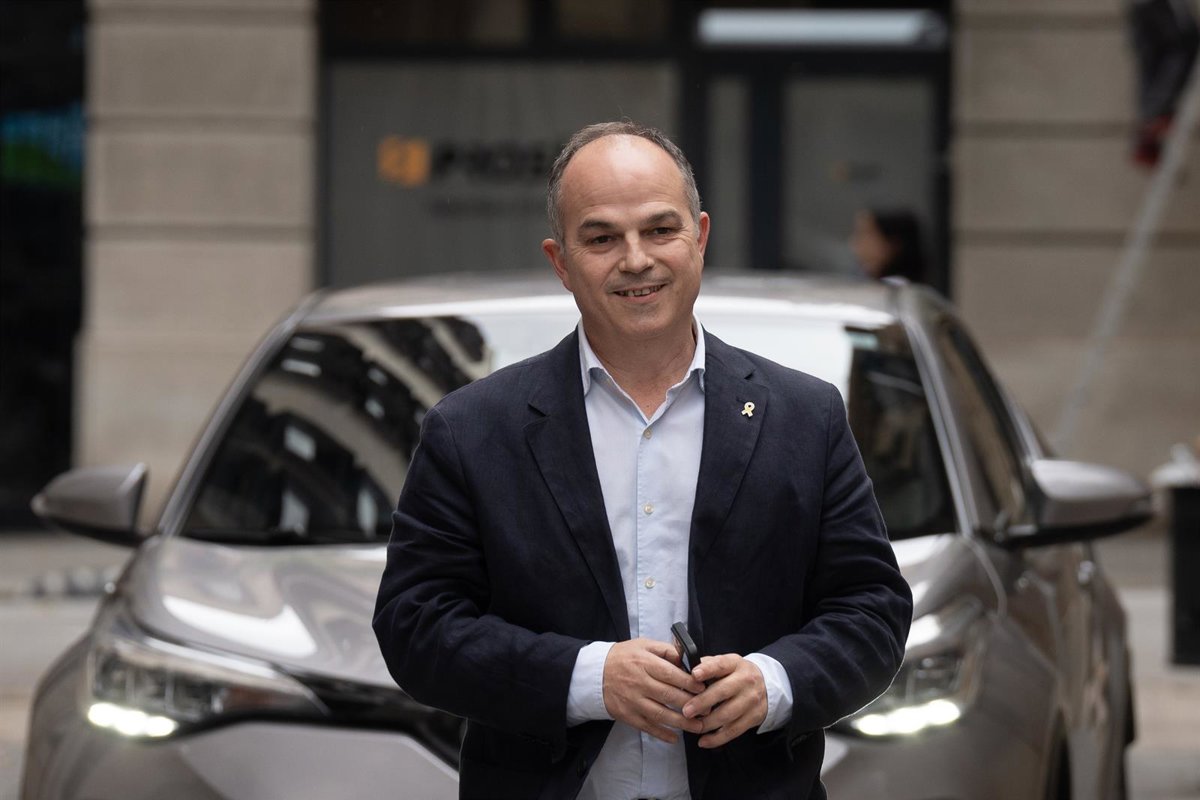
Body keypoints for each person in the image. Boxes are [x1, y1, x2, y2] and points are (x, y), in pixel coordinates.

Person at [374, 121, 912, 799]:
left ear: (700, 238)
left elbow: (871, 610)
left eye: (660, 230)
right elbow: (416, 625)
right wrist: (588, 679)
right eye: (602, 238)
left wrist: (773, 683)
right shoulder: (472, 430)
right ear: (561, 262)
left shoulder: (806, 418)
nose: (636, 259)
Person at [849, 207, 926, 284]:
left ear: (893, 243)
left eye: (865, 234)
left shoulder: (898, 288)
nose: (855, 243)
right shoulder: (866, 282)